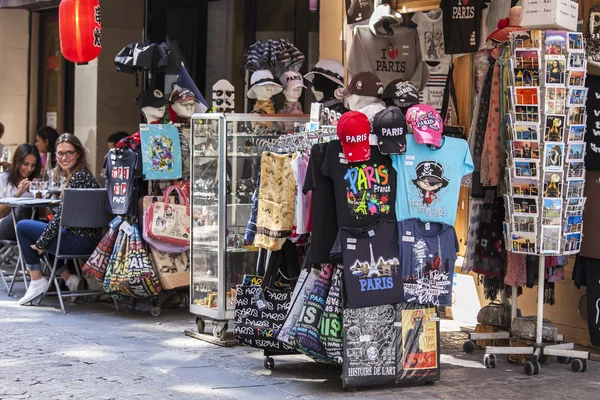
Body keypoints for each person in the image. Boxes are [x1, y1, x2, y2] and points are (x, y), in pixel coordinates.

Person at [16, 133, 101, 306]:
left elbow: (60, 217)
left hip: (79, 241)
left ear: (78, 153)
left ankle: (37, 280)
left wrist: (41, 244)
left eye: (69, 152)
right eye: (60, 153)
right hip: (87, 240)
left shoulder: (79, 177)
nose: (64, 157)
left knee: (23, 226)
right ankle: (71, 280)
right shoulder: (83, 175)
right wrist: (42, 239)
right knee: (44, 230)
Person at [0, 144, 41, 240]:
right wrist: (17, 195)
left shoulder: (35, 183)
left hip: (27, 230)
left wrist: (39, 195)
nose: (29, 169)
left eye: (33, 165)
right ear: (17, 162)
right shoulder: (3, 179)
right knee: (24, 208)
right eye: (26, 164)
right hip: (3, 226)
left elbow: (41, 215)